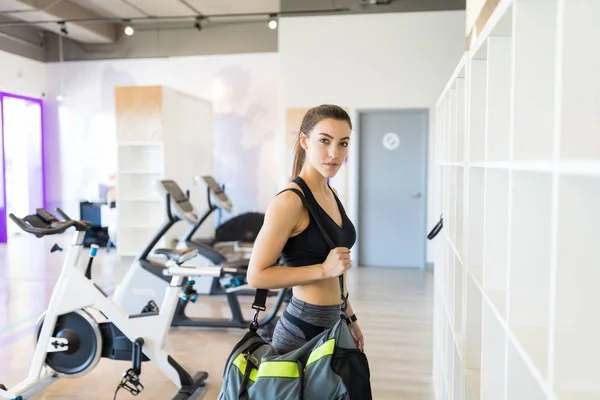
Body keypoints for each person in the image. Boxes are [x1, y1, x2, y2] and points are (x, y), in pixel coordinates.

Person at [246, 104, 364, 354]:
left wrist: (351, 318)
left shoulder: (330, 192)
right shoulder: (290, 201)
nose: (334, 153)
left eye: (343, 143)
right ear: (305, 141)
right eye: (324, 141)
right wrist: (322, 270)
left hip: (336, 321)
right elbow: (256, 276)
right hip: (303, 329)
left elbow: (338, 269)